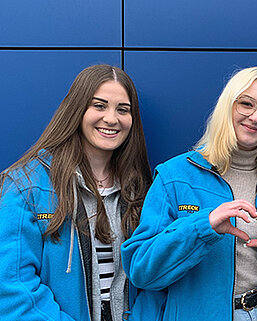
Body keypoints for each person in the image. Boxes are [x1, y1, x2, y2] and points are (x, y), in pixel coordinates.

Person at [121, 66, 257, 321]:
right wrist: (203, 227)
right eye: (246, 104)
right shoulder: (175, 177)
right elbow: (142, 270)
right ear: (228, 107)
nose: (256, 117)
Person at [0, 64, 155, 321]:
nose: (112, 118)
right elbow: (11, 287)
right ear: (77, 110)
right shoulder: (26, 184)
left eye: (123, 109)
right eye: (99, 105)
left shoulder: (139, 189)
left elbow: (151, 281)